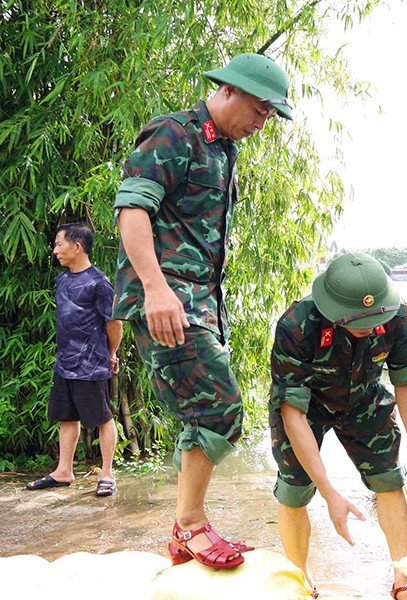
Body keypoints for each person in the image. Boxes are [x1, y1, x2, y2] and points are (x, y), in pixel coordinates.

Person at [112, 53, 293, 569]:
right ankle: (189, 525)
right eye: (260, 110)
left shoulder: (224, 149)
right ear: (229, 91)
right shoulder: (174, 134)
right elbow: (132, 210)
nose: (262, 123)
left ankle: (186, 529)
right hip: (168, 299)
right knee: (222, 407)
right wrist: (155, 288)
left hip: (200, 303)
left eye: (269, 116)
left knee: (203, 413)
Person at [270, 251, 407, 600]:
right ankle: (302, 581)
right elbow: (293, 414)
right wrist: (330, 493)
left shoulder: (396, 315)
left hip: (364, 400)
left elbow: (405, 381)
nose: (376, 327)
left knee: (389, 479)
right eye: (364, 321)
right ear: (336, 314)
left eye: (379, 318)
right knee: (295, 489)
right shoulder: (297, 326)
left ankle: (402, 577)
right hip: (306, 407)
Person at [26, 223, 122, 497]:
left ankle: (106, 473)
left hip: (91, 363)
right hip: (65, 362)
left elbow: (114, 324)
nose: (55, 250)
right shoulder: (63, 280)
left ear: (77, 247)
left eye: (59, 244)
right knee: (66, 417)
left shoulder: (99, 283)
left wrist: (110, 354)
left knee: (103, 417)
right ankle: (63, 471)